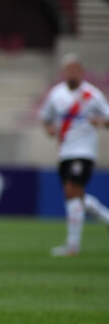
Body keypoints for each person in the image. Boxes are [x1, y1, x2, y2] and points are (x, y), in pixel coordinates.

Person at [39, 53, 109, 257]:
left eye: (76, 70)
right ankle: (105, 217)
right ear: (63, 72)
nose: (72, 73)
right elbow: (46, 119)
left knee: (72, 190)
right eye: (69, 70)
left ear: (82, 72)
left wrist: (101, 122)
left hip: (84, 151)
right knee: (75, 197)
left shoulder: (91, 95)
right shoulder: (56, 95)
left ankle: (73, 246)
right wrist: (50, 129)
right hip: (64, 152)